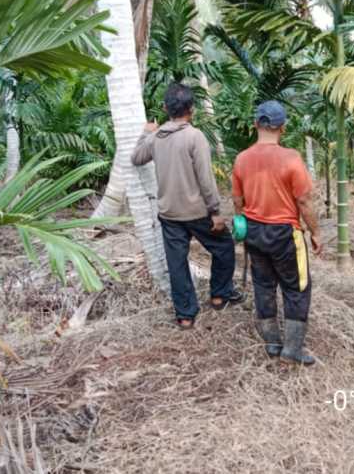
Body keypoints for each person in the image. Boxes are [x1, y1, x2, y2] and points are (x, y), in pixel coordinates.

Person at [132, 83, 244, 330]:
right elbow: (206, 179)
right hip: (197, 212)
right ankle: (219, 295)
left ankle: (185, 315)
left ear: (165, 108)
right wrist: (215, 212)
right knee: (224, 247)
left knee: (177, 264)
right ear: (191, 110)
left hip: (169, 214)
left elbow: (136, 158)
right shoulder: (195, 136)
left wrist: (145, 132)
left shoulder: (156, 138)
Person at [232, 101, 323, 365]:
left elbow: (237, 202)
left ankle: (272, 344)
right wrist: (315, 232)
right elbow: (305, 201)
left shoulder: (242, 159)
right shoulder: (291, 158)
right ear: (282, 128)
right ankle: (292, 349)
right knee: (297, 287)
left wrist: (242, 225)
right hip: (285, 233)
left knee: (263, 284)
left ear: (255, 125)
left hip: (254, 231)